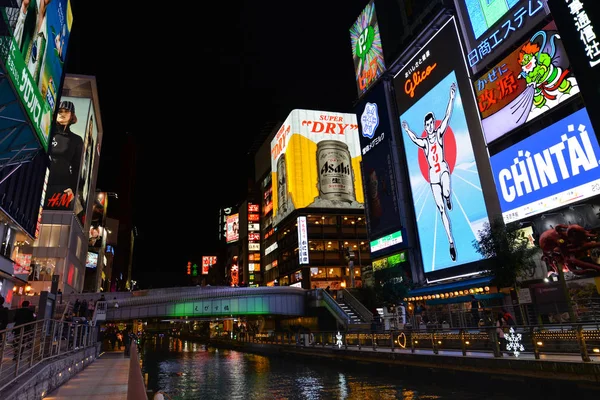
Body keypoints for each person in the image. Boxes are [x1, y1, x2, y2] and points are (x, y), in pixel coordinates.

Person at [401, 82, 457, 261]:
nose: (431, 125)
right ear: (426, 126)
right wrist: (408, 130)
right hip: (433, 175)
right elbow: (415, 139)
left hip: (443, 169)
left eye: (432, 122)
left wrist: (451, 97)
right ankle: (450, 242)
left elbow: (447, 116)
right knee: (441, 209)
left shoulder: (439, 133)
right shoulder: (425, 141)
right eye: (428, 124)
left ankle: (448, 196)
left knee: (446, 191)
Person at [46, 100, 84, 212]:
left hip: (62, 188)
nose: (62, 113)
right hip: (42, 183)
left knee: (55, 220)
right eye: (59, 111)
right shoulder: (47, 132)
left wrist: (73, 189)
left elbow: (77, 168)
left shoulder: (76, 140)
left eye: (66, 111)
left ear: (72, 115)